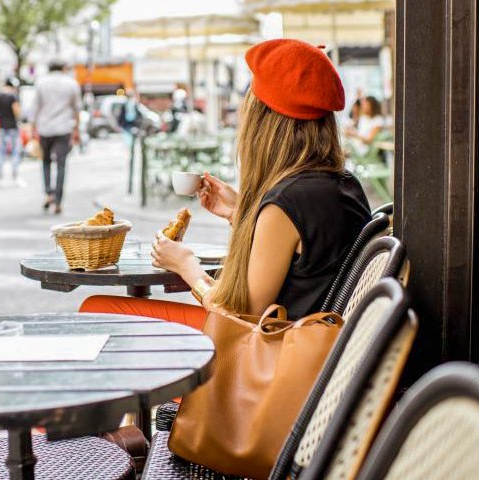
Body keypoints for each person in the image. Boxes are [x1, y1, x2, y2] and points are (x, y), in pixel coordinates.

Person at [80, 38, 371, 328]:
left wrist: (186, 266)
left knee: (98, 309)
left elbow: (238, 316)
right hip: (313, 344)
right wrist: (241, 213)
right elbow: (307, 264)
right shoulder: (344, 185)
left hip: (272, 353)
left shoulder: (287, 204)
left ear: (264, 123)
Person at [33, 60, 81, 214]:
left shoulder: (41, 82)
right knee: (61, 165)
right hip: (63, 129)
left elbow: (36, 108)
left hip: (44, 128)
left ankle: (48, 193)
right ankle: (58, 202)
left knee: (45, 161)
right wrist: (76, 130)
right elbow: (76, 108)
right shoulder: (71, 83)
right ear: (63, 68)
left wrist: (34, 128)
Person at [0, 78, 23, 182]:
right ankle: (14, 172)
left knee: (1, 150)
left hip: (2, 126)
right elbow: (17, 112)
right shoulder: (13, 96)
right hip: (13, 127)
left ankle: (0, 171)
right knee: (15, 149)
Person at [117, 90, 143, 192]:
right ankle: (130, 155)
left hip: (131, 126)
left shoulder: (133, 104)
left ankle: (131, 155)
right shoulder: (127, 104)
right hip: (127, 127)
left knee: (131, 144)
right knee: (129, 144)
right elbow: (122, 116)